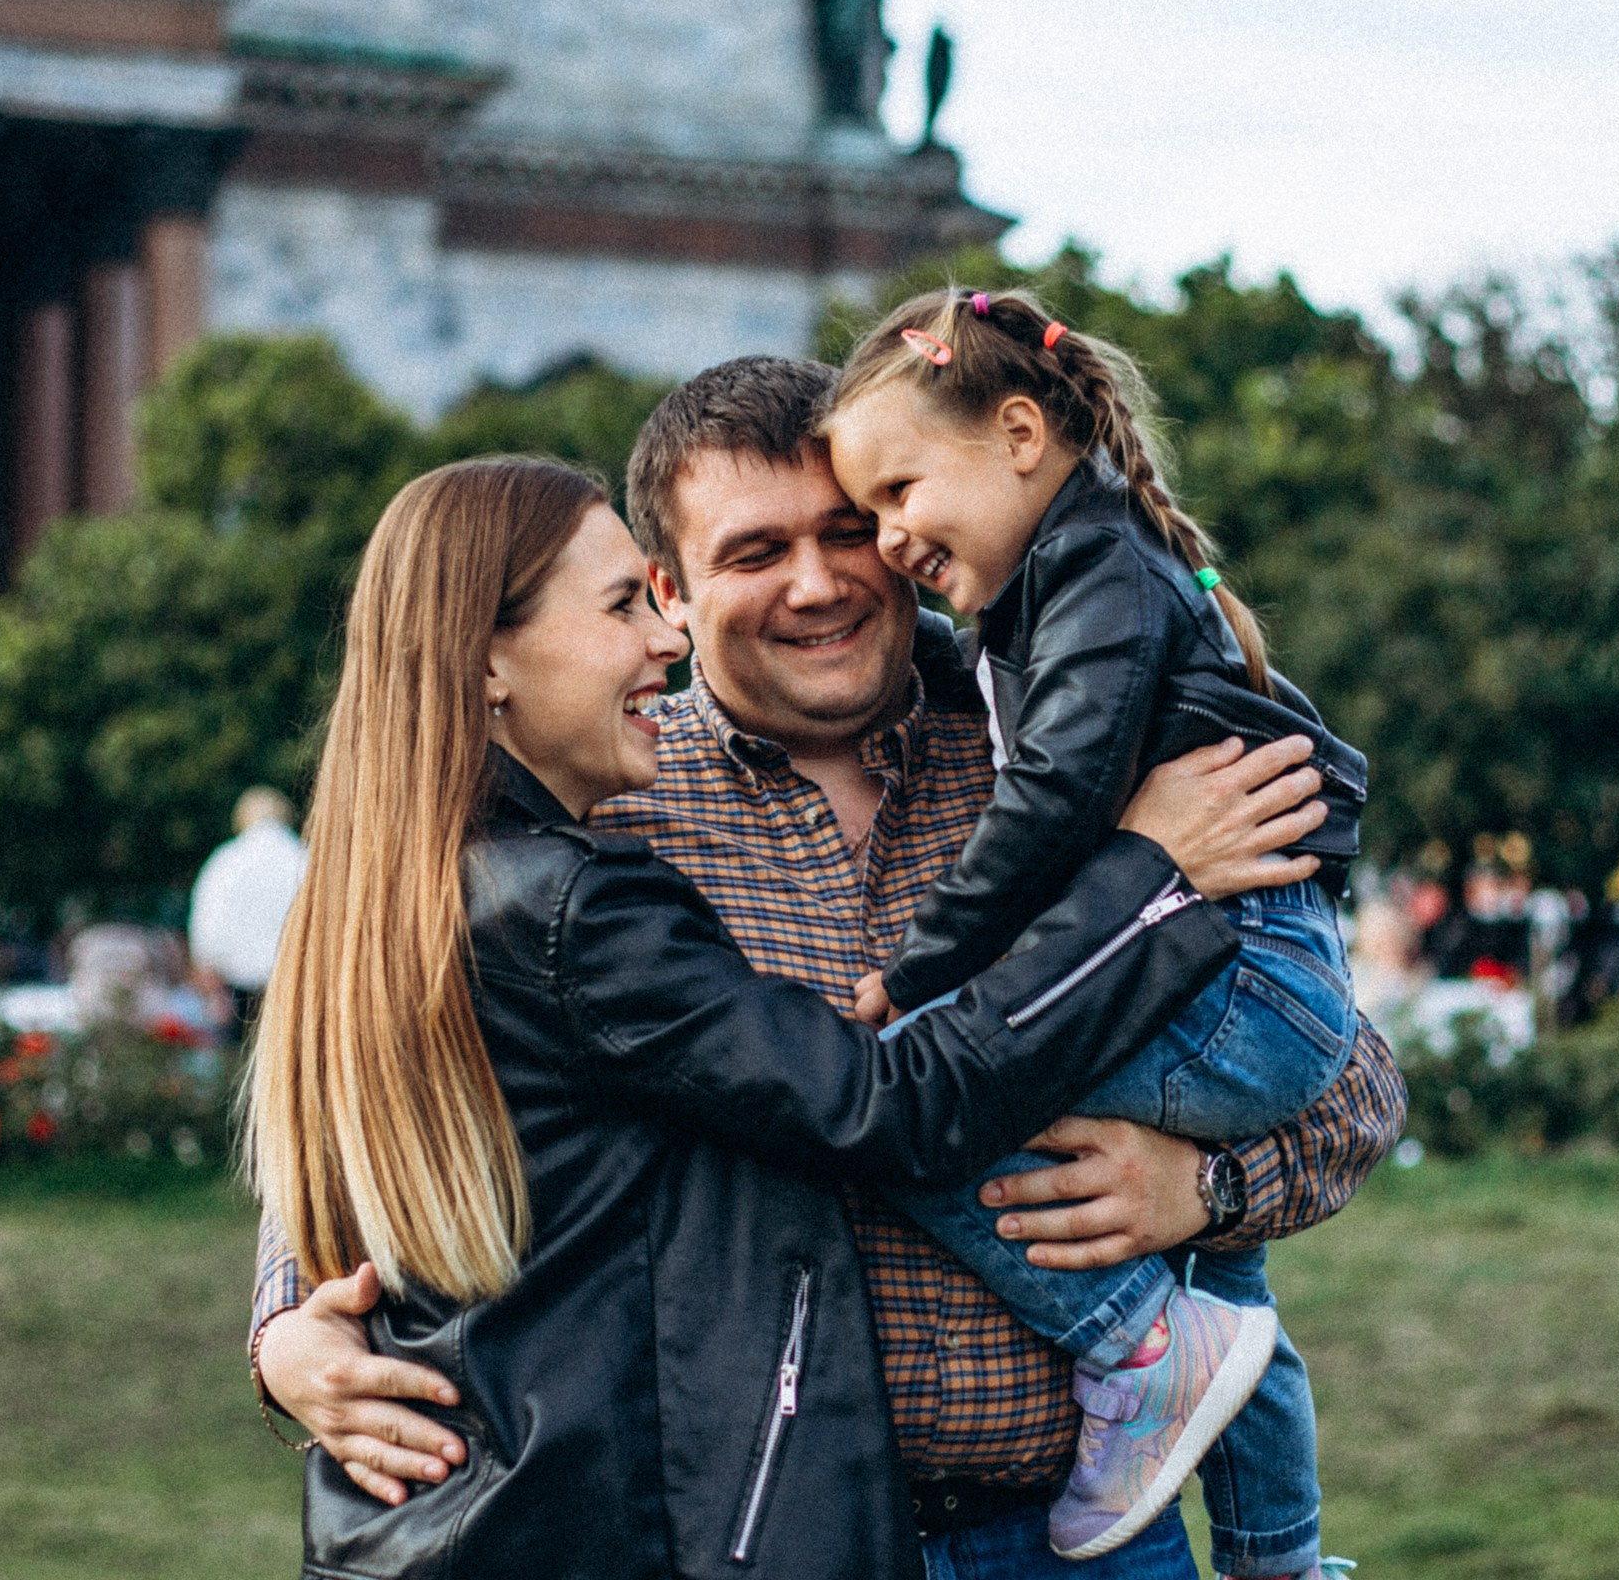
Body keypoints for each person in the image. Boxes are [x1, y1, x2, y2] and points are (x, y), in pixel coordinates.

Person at [253, 359, 1407, 1580]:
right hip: (771, 1529)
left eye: (850, 530)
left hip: (1085, 1533)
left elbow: (1353, 1077)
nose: (816, 583)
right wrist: (289, 1315)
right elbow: (379, 1089)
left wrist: (1207, 1187)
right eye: (754, 552)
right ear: (670, 588)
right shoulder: (607, 802)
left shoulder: (1079, 749)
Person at [819, 289, 1369, 1564]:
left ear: (1020, 433)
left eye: (900, 492)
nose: (888, 540)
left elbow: (1056, 792)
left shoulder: (1095, 574)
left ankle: (1130, 1335)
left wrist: (923, 969)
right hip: (1253, 980)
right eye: (874, 515)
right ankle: (1276, 1553)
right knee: (1230, 1294)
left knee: (922, 1096)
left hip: (1232, 987)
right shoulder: (1058, 595)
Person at [186, 784, 307, 1029]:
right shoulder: (303, 859)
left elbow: (206, 931)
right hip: (296, 988)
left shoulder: (225, 861)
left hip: (237, 993)